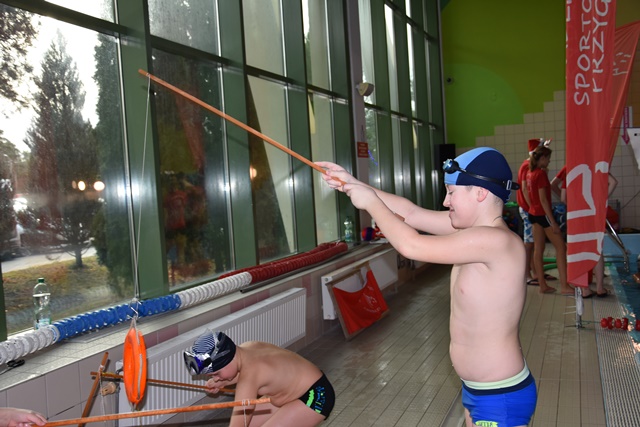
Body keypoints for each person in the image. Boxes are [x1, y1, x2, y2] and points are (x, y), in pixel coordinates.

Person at [317, 147, 537, 427]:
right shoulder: (469, 232)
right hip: (477, 390)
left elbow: (412, 245)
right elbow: (410, 213)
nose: (445, 201)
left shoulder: (497, 241)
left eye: (451, 192)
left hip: (499, 396)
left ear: (480, 193)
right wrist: (353, 184)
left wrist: (370, 203)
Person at [183, 330, 335, 427]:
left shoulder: (249, 378)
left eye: (217, 374)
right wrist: (223, 381)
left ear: (227, 359)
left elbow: (241, 418)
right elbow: (253, 373)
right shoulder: (248, 347)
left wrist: (224, 380)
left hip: (316, 395)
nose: (216, 379)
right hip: (294, 389)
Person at [526, 145, 574, 295]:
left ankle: (542, 285)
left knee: (538, 249)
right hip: (543, 214)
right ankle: (565, 286)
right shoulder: (540, 174)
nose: (549, 161)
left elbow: (529, 193)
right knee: (561, 248)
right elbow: (543, 200)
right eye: (548, 158)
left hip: (533, 213)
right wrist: (553, 222)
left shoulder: (530, 173)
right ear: (542, 158)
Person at [518, 138, 556, 286]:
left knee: (535, 244)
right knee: (529, 244)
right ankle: (527, 274)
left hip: (532, 209)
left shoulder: (532, 167)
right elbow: (524, 189)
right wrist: (532, 208)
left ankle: (536, 272)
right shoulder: (526, 166)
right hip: (530, 209)